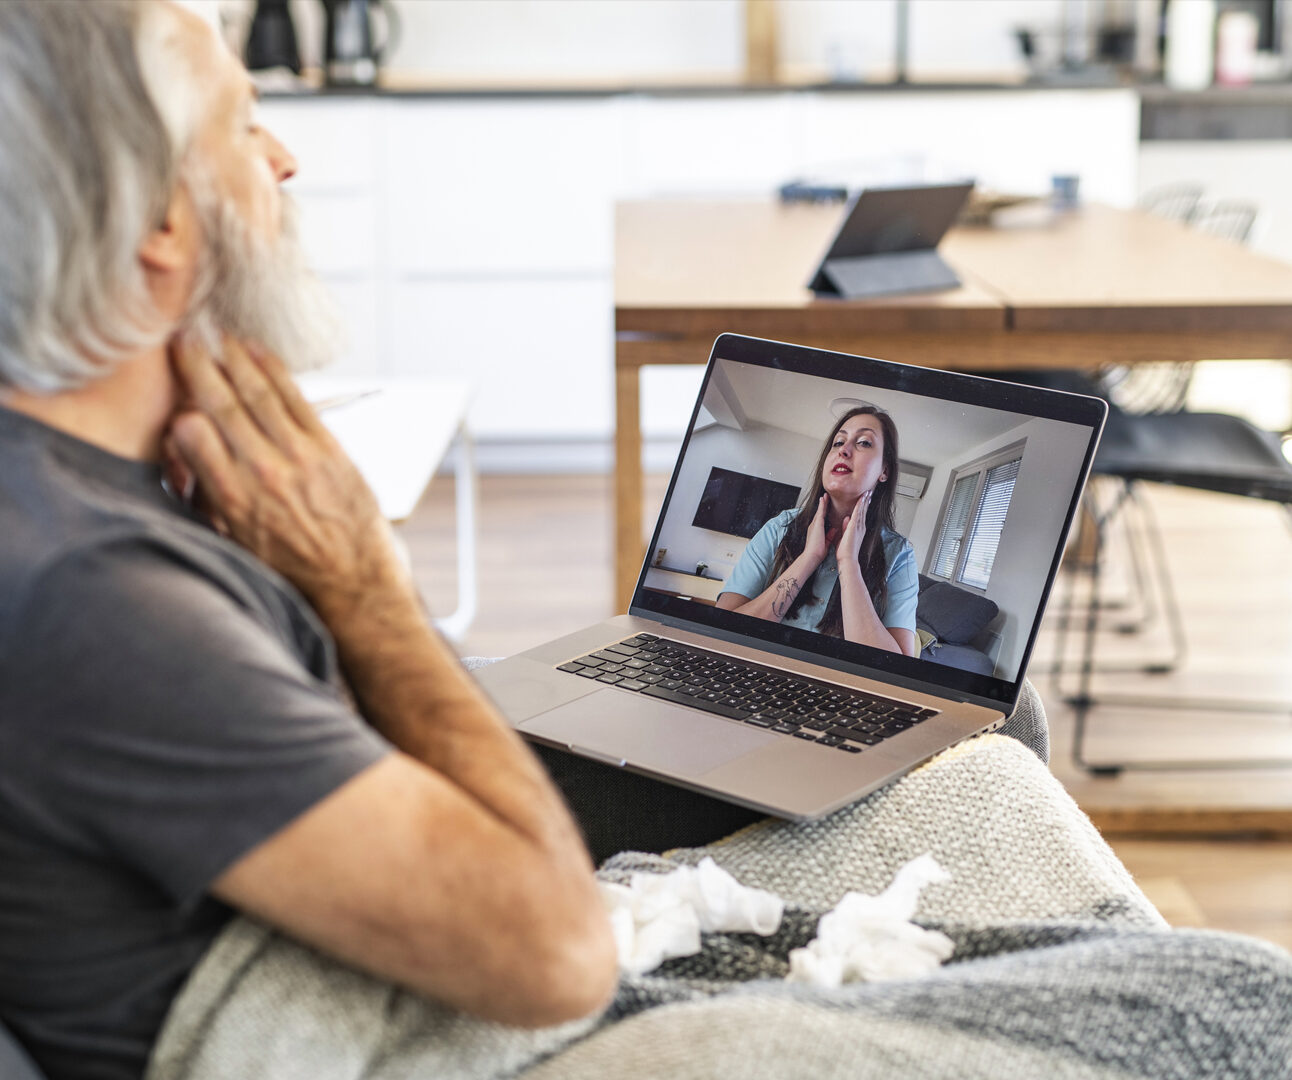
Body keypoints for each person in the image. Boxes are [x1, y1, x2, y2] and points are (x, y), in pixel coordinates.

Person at [0, 5, 628, 1079]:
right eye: (247, 126)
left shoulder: (92, 486)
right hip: (371, 1029)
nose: (285, 160)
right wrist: (365, 585)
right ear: (154, 212)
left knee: (960, 751)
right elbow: (560, 958)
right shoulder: (92, 595)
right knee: (971, 792)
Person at [716, 406, 919, 657]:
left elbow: (899, 669)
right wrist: (808, 559)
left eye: (864, 442)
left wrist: (849, 563)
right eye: (838, 442)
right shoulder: (778, 528)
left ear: (884, 471)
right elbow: (722, 629)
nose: (844, 450)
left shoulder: (899, 554)